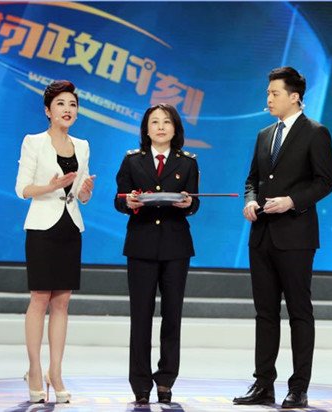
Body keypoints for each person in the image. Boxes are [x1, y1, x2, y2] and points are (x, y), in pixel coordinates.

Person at [233, 67, 332, 409]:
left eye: (274, 93)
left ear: (294, 96)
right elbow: (252, 179)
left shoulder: (315, 133)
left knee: (299, 312)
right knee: (265, 313)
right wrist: (250, 200)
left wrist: (292, 201)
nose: (269, 99)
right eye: (268, 93)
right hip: (261, 236)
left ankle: (299, 387)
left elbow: (324, 182)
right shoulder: (265, 134)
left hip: (296, 237)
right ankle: (263, 384)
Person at [15, 80, 95, 404]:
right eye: (61, 104)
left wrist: (85, 192)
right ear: (48, 111)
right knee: (40, 297)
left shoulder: (83, 145)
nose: (67, 109)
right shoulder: (33, 142)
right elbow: (23, 189)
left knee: (62, 301)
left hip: (70, 227)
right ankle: (34, 369)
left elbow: (81, 195)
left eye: (72, 104)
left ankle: (56, 372)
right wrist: (51, 186)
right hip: (42, 228)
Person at [114, 103, 200, 404]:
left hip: (176, 247)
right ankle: (140, 383)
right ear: (146, 129)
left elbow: (195, 202)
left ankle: (165, 380)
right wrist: (129, 202)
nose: (161, 127)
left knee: (172, 315)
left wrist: (188, 203)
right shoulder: (132, 161)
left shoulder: (187, 162)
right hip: (141, 245)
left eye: (167, 122)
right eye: (154, 122)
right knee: (140, 316)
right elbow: (119, 199)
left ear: (175, 129)